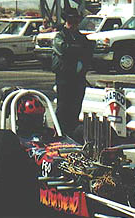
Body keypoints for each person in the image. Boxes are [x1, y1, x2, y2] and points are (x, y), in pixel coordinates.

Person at [51, 7, 93, 136]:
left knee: (76, 106)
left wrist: (75, 51)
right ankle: (59, 132)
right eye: (71, 21)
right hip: (64, 77)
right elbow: (64, 49)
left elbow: (89, 50)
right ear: (66, 21)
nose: (73, 25)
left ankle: (71, 131)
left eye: (75, 22)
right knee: (63, 106)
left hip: (78, 77)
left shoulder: (81, 37)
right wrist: (78, 51)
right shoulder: (59, 36)